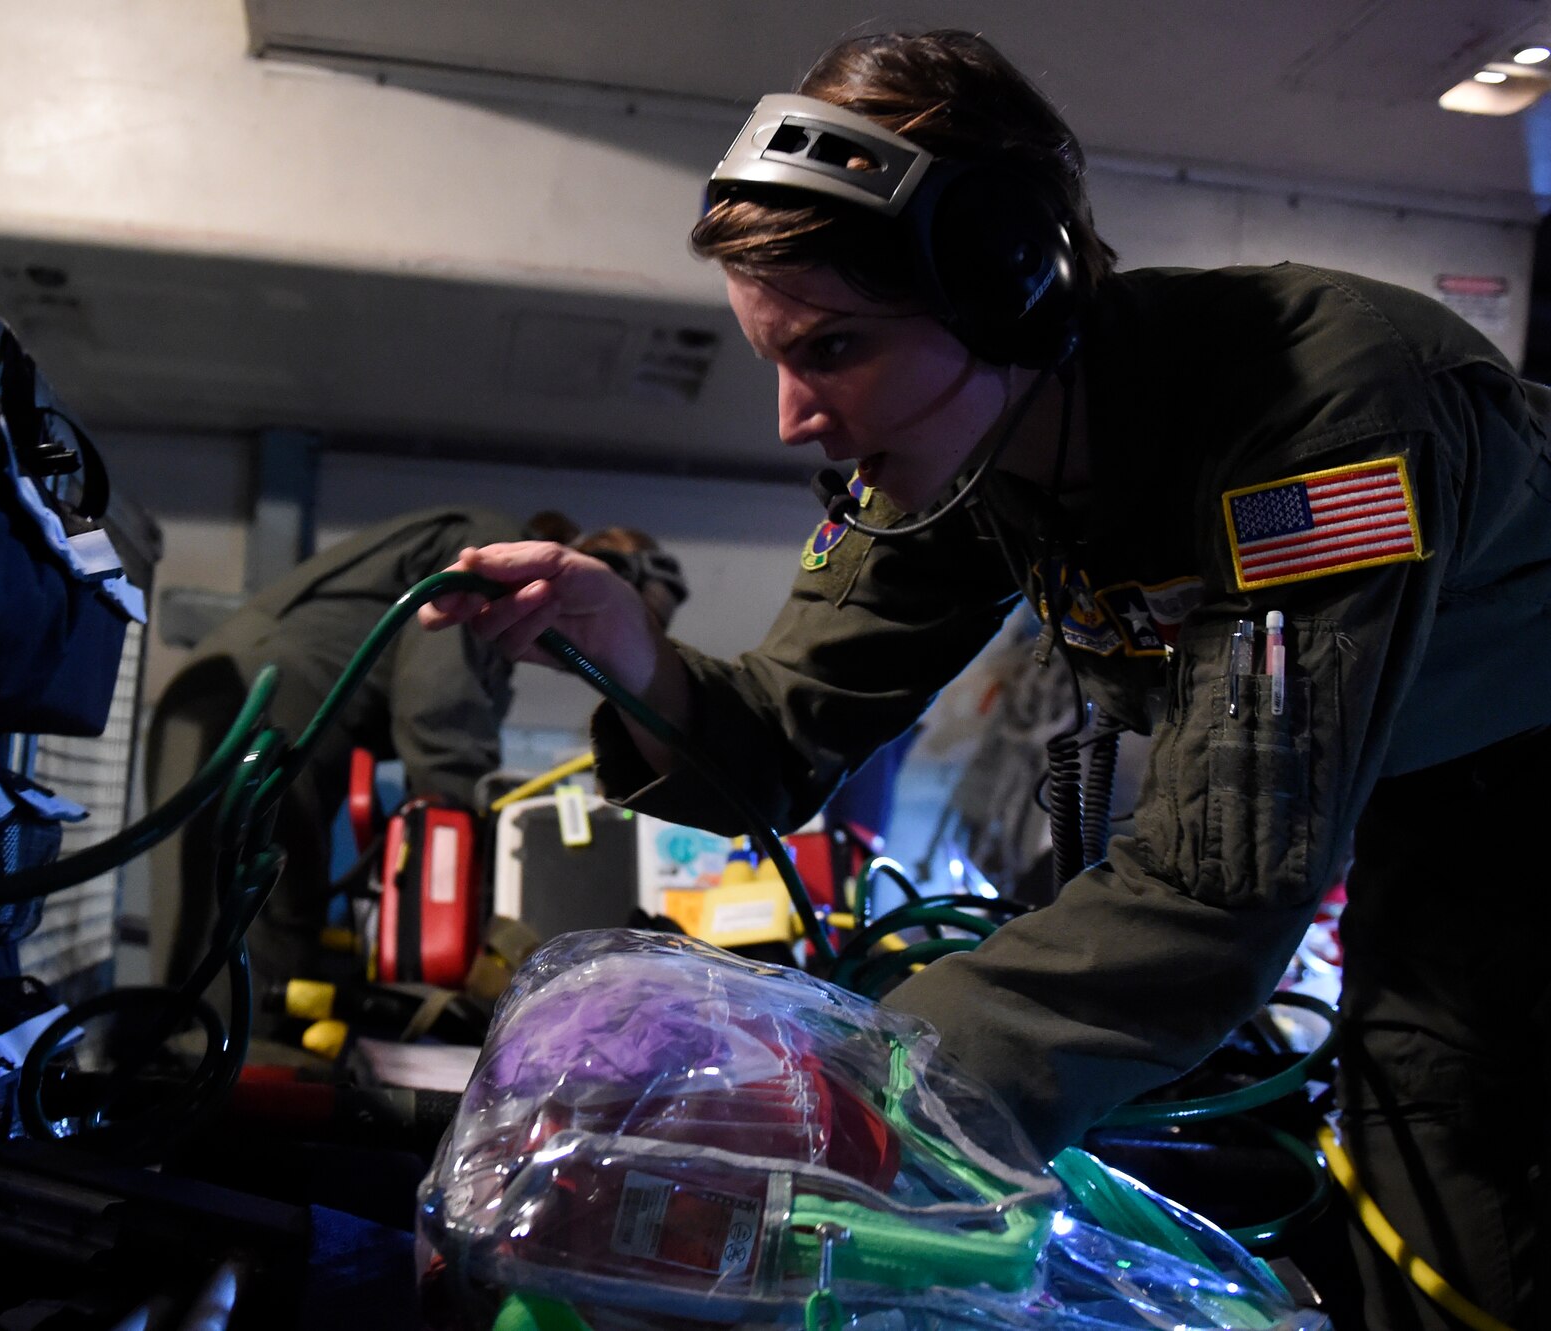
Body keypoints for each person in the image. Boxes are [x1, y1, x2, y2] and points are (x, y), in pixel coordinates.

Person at [419, 30, 1550, 1329]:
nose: (793, 414)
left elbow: (1219, 880)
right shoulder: (969, 449)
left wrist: (872, 1087)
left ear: (1011, 286)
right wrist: (629, 652)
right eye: (775, 358)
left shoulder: (1319, 417)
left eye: (834, 348)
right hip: (1417, 793)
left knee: (1453, 1130)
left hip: (1521, 790)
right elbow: (779, 735)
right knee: (1402, 1120)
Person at [147, 506, 684, 1033]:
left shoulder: (504, 592)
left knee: (269, 933)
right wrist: (462, 833)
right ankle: (201, 1093)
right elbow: (439, 705)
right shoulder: (496, 557)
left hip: (270, 723)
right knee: (239, 956)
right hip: (249, 715)